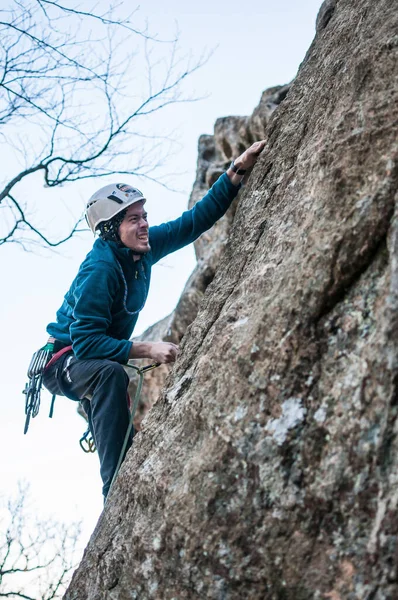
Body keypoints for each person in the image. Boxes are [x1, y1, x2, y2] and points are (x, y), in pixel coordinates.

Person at [42, 140, 266, 498]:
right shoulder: (100, 269)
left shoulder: (140, 251)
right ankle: (112, 491)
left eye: (144, 216)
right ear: (111, 229)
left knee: (111, 380)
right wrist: (148, 349)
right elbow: (84, 343)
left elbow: (192, 222)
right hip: (62, 361)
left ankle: (124, 471)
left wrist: (236, 170)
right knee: (110, 374)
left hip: (89, 358)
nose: (145, 224)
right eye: (134, 219)